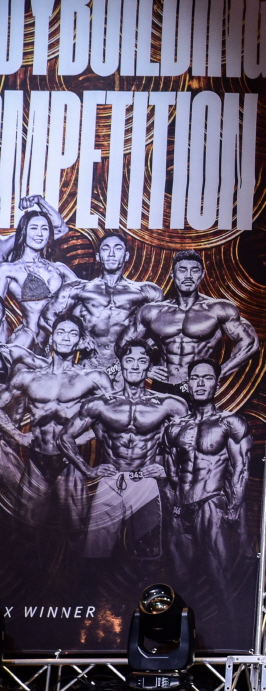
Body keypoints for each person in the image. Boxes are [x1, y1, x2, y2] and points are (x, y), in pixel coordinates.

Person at [55, 341, 190, 559]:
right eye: (129, 360)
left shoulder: (170, 404)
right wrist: (88, 470)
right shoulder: (99, 404)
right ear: (121, 364)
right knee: (95, 555)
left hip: (145, 481)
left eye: (142, 361)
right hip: (110, 480)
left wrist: (166, 469)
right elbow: (64, 437)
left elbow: (191, 444)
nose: (135, 366)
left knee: (147, 555)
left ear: (149, 367)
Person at [0, 318, 111, 535]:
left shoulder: (93, 378)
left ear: (80, 341)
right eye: (61, 332)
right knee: (24, 533)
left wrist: (85, 437)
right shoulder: (28, 377)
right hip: (37, 460)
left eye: (72, 334)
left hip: (70, 462)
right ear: (52, 339)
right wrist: (16, 435)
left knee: (76, 532)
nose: (66, 338)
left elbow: (116, 415)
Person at [162, 358, 252, 582]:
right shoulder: (174, 428)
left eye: (207, 378)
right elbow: (171, 472)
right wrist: (174, 506)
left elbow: (241, 468)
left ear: (217, 384)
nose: (200, 383)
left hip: (211, 503)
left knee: (219, 578)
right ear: (188, 384)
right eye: (195, 378)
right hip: (180, 509)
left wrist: (233, 508)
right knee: (179, 581)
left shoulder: (231, 423)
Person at [119, 250, 259, 392]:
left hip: (198, 388)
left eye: (194, 271)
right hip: (162, 386)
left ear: (202, 274)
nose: (188, 276)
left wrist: (219, 373)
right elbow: (122, 345)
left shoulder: (218, 309)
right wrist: (146, 370)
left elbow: (250, 343)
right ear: (173, 274)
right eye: (182, 270)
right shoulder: (152, 311)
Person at [41, 231, 163, 370]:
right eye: (106, 248)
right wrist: (77, 340)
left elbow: (162, 330)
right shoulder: (77, 289)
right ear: (98, 257)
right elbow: (46, 319)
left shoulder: (147, 291)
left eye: (117, 248)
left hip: (127, 368)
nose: (111, 254)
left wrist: (143, 355)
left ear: (126, 256)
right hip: (88, 366)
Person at [0, 202, 79, 348]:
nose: (39, 234)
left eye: (44, 228)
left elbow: (85, 297)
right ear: (24, 232)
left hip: (59, 342)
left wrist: (39, 200)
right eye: (34, 228)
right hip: (28, 342)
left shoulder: (59, 268)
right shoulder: (9, 269)